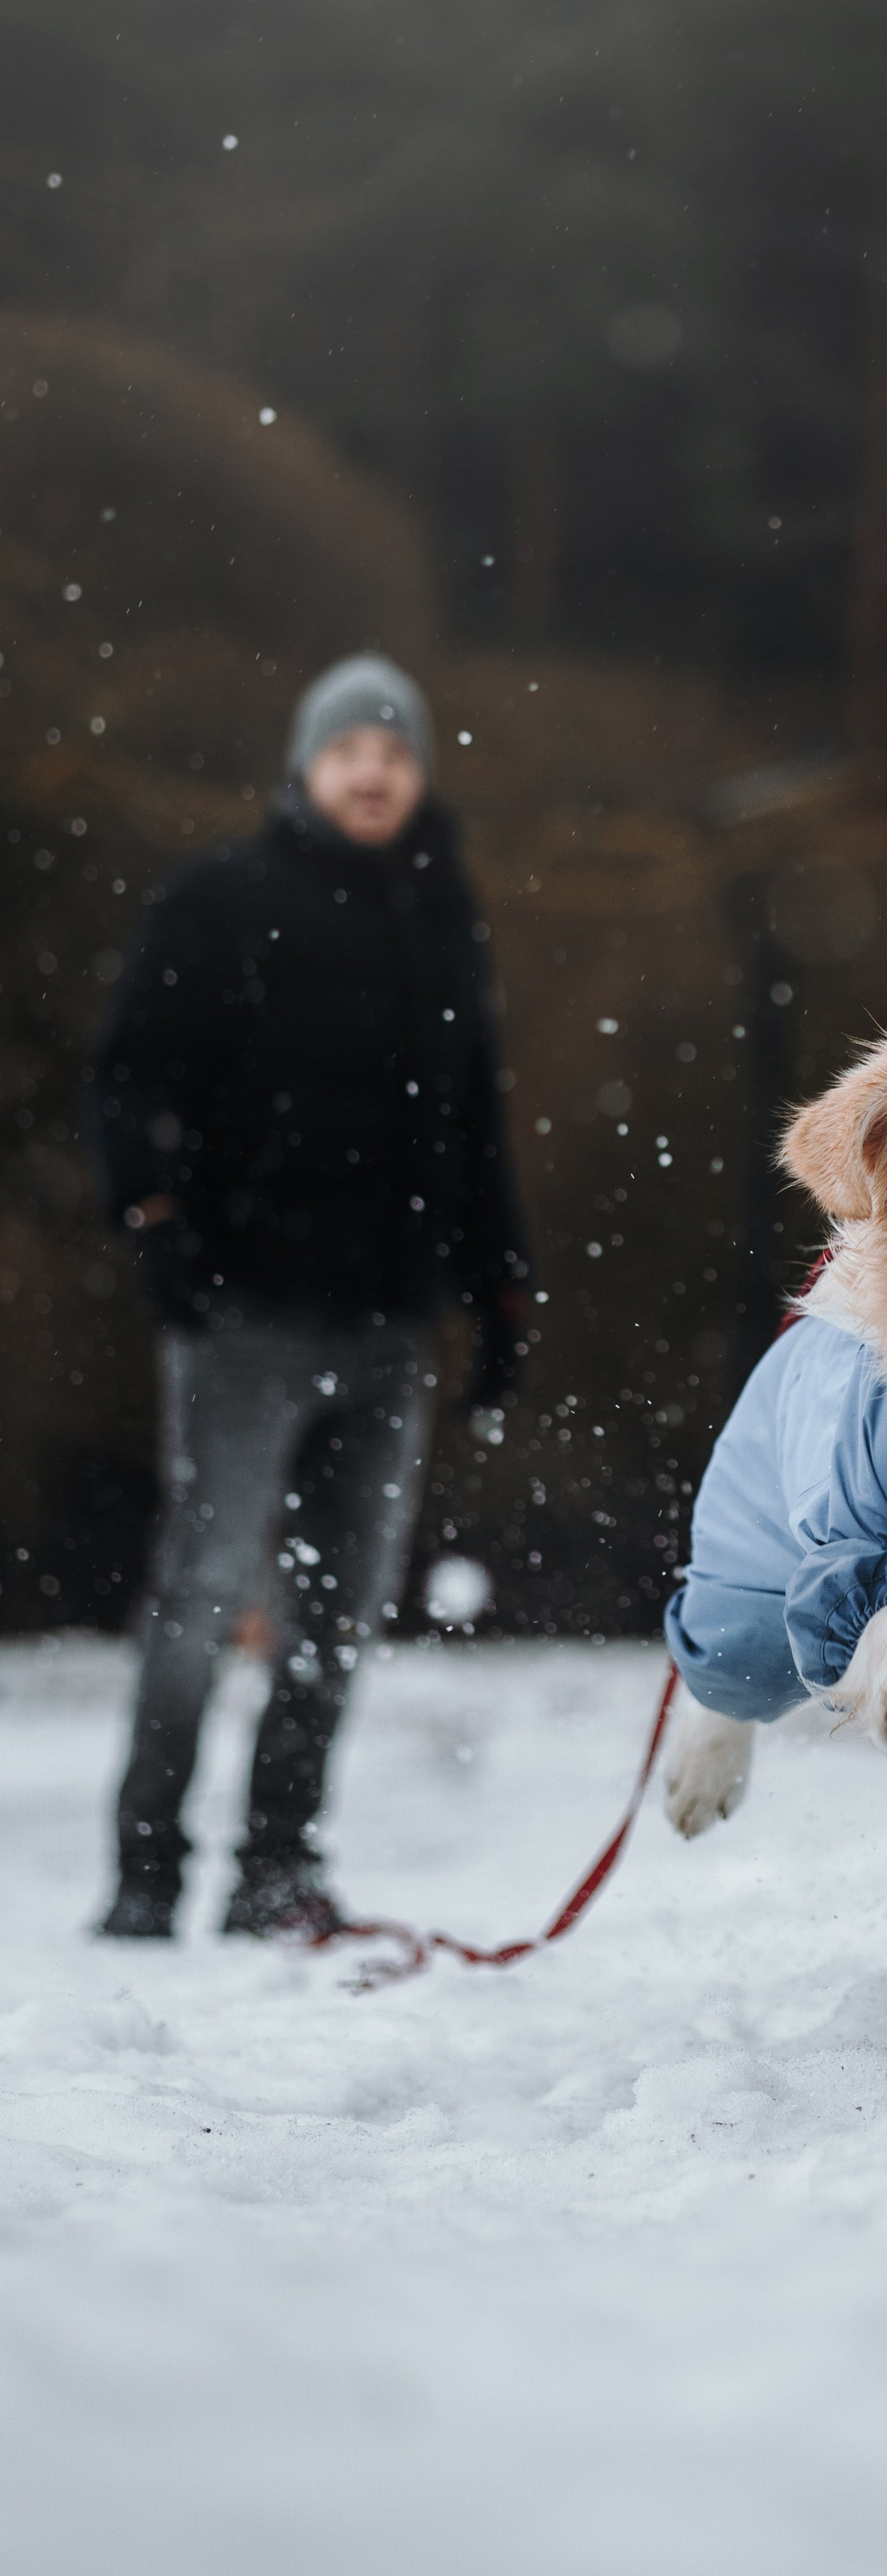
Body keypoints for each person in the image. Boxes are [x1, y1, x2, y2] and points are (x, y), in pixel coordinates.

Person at [88, 655, 532, 1940]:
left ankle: (278, 1871)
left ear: (420, 772)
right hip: (243, 1313)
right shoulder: (221, 898)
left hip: (391, 1321)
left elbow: (471, 1124)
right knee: (204, 1590)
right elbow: (129, 1073)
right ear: (306, 765)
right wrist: (153, 1215)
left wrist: (499, 1290)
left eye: (395, 749)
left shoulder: (444, 920)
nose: (374, 768)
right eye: (350, 748)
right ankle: (145, 1876)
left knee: (337, 1612)